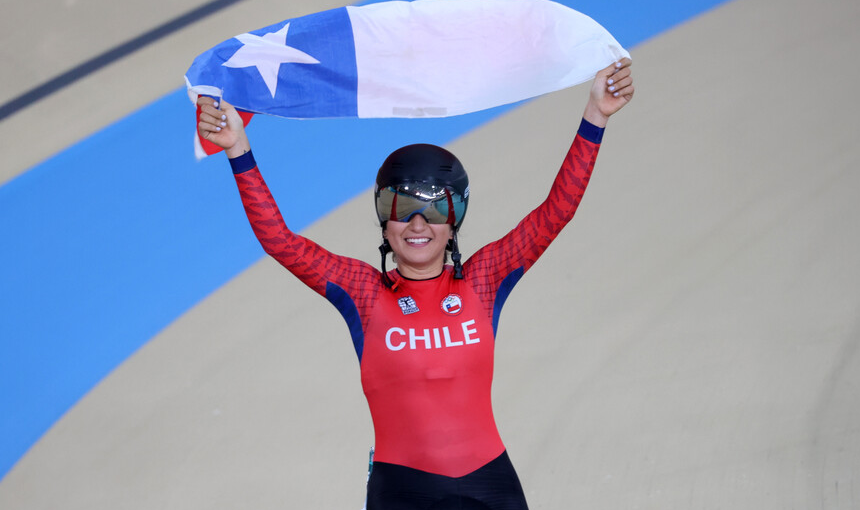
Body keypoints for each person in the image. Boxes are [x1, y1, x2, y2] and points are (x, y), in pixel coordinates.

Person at [196, 57, 634, 510]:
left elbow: (555, 212)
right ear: (384, 224)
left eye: (436, 210)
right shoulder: (363, 292)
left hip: (490, 485)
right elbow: (279, 241)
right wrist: (238, 149)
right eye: (401, 208)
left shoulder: (483, 280)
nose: (418, 223)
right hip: (403, 491)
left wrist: (595, 116)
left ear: (454, 224)